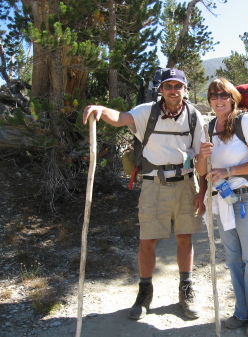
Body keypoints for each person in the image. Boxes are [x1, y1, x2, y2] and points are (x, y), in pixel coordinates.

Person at [83, 68, 206, 321]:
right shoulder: (146, 111)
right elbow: (119, 118)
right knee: (147, 240)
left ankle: (186, 290)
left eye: (178, 86)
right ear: (160, 89)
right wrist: (100, 109)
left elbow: (202, 157)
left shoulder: (194, 116)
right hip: (153, 185)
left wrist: (202, 190)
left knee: (185, 238)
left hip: (185, 184)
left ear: (185, 89)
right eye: (168, 86)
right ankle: (144, 292)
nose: (173, 91)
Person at [196, 78, 248, 337]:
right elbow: (201, 171)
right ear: (209, 100)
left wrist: (229, 170)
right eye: (213, 96)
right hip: (224, 200)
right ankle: (242, 312)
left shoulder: (245, 122)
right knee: (232, 258)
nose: (218, 100)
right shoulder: (210, 128)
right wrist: (202, 156)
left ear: (232, 97)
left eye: (223, 95)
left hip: (246, 197)